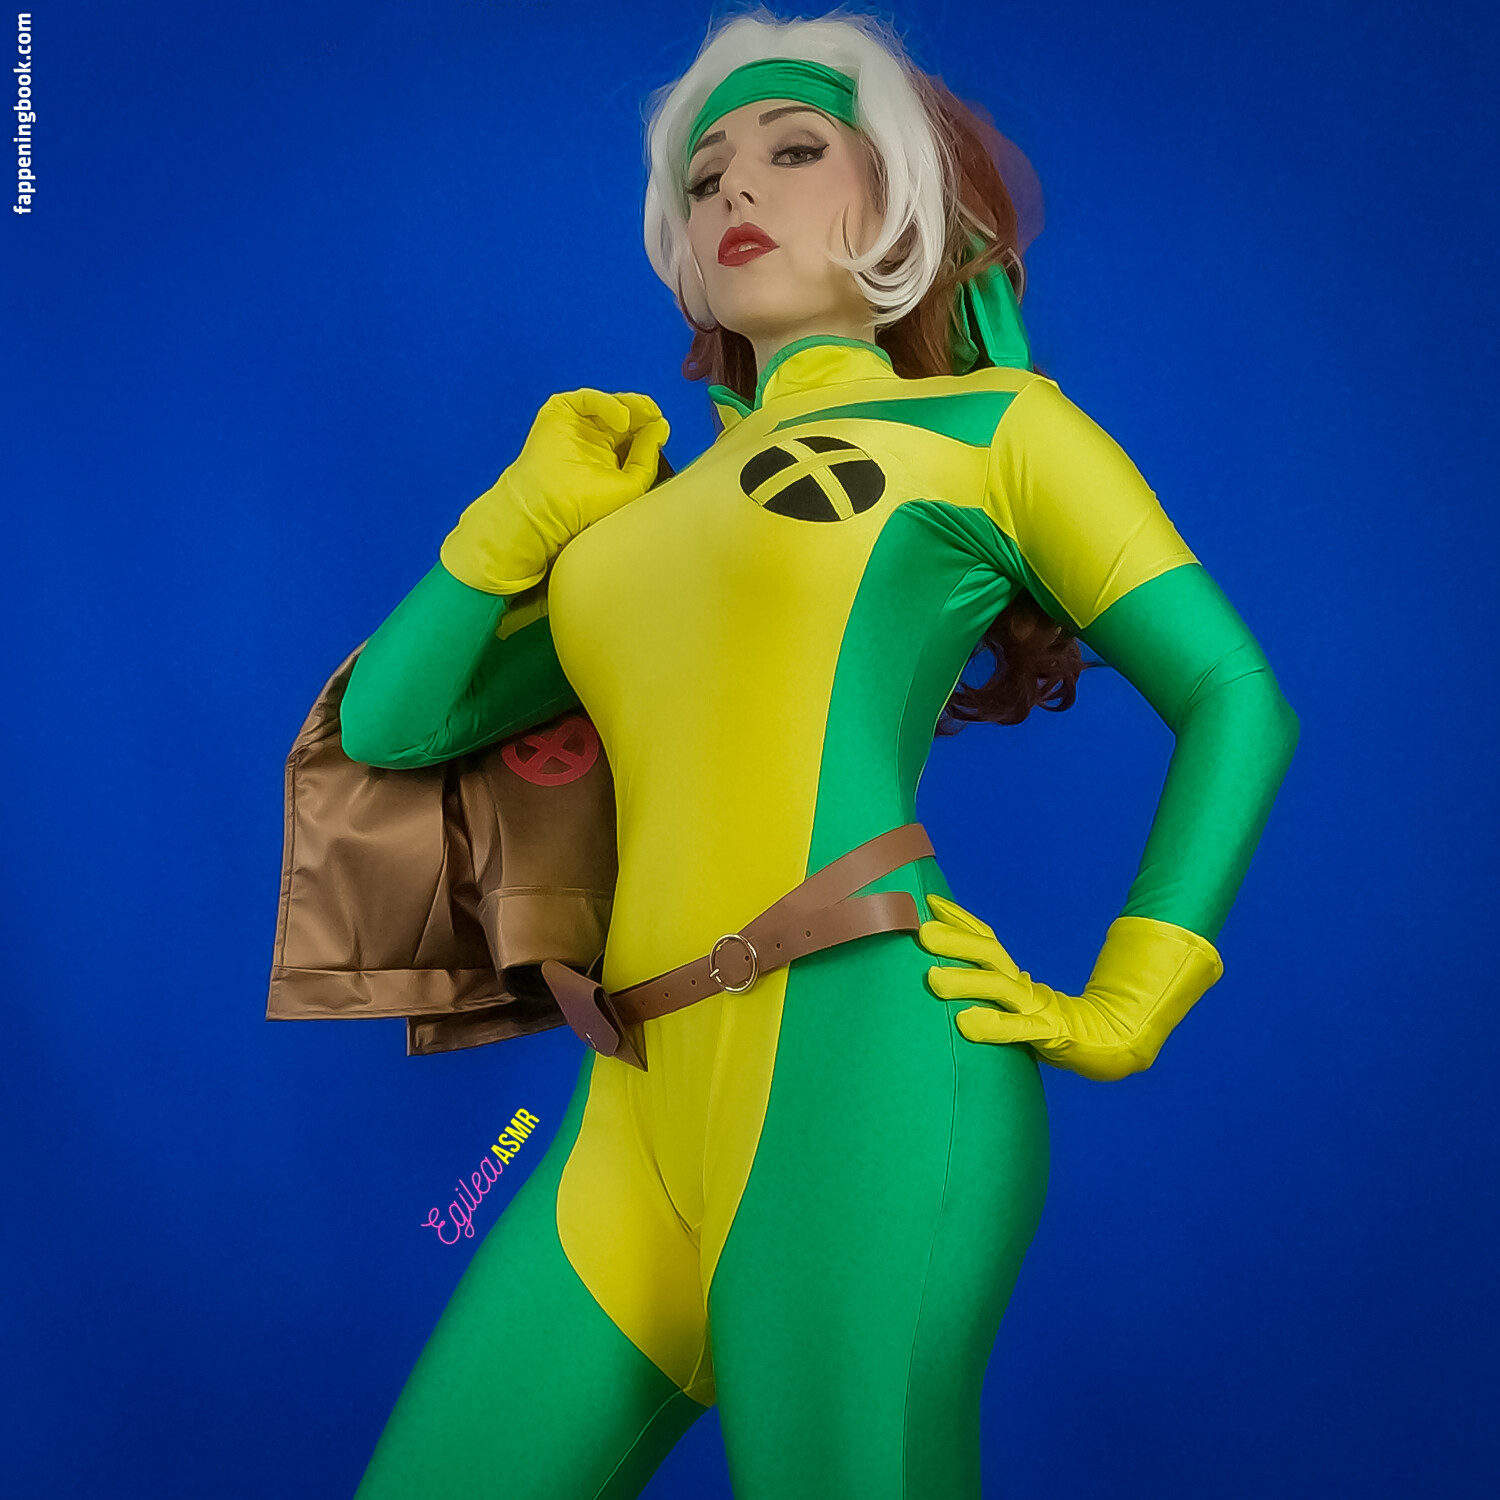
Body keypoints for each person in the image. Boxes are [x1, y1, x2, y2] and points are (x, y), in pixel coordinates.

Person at [338, 7, 1299, 1497]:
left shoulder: (994, 429)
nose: (737, 188)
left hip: (863, 1065)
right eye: (705, 175)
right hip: (628, 1101)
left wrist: (1136, 994)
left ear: (898, 201)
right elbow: (393, 721)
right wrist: (521, 513)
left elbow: (1236, 694)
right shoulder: (630, 520)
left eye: (795, 152)